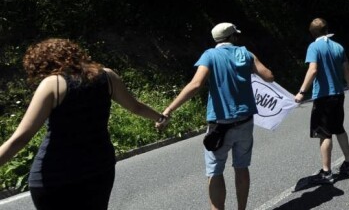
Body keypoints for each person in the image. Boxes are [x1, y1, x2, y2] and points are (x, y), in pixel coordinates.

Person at [0, 38, 166, 210]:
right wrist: (159, 118)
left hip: (55, 176)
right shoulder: (108, 76)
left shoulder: (53, 84)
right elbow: (136, 107)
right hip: (99, 168)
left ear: (44, 63)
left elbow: (20, 139)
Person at [161, 23, 274, 210]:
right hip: (245, 121)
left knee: (215, 171)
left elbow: (196, 84)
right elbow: (269, 76)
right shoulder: (246, 53)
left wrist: (169, 109)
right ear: (233, 37)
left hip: (219, 124)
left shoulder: (210, 55)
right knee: (241, 167)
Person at [294, 18, 349, 184]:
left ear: (312, 33)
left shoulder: (314, 47)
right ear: (327, 29)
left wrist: (302, 92)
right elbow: (347, 68)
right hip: (338, 93)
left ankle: (327, 172)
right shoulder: (338, 46)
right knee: (339, 128)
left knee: (325, 133)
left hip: (323, 95)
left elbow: (313, 70)